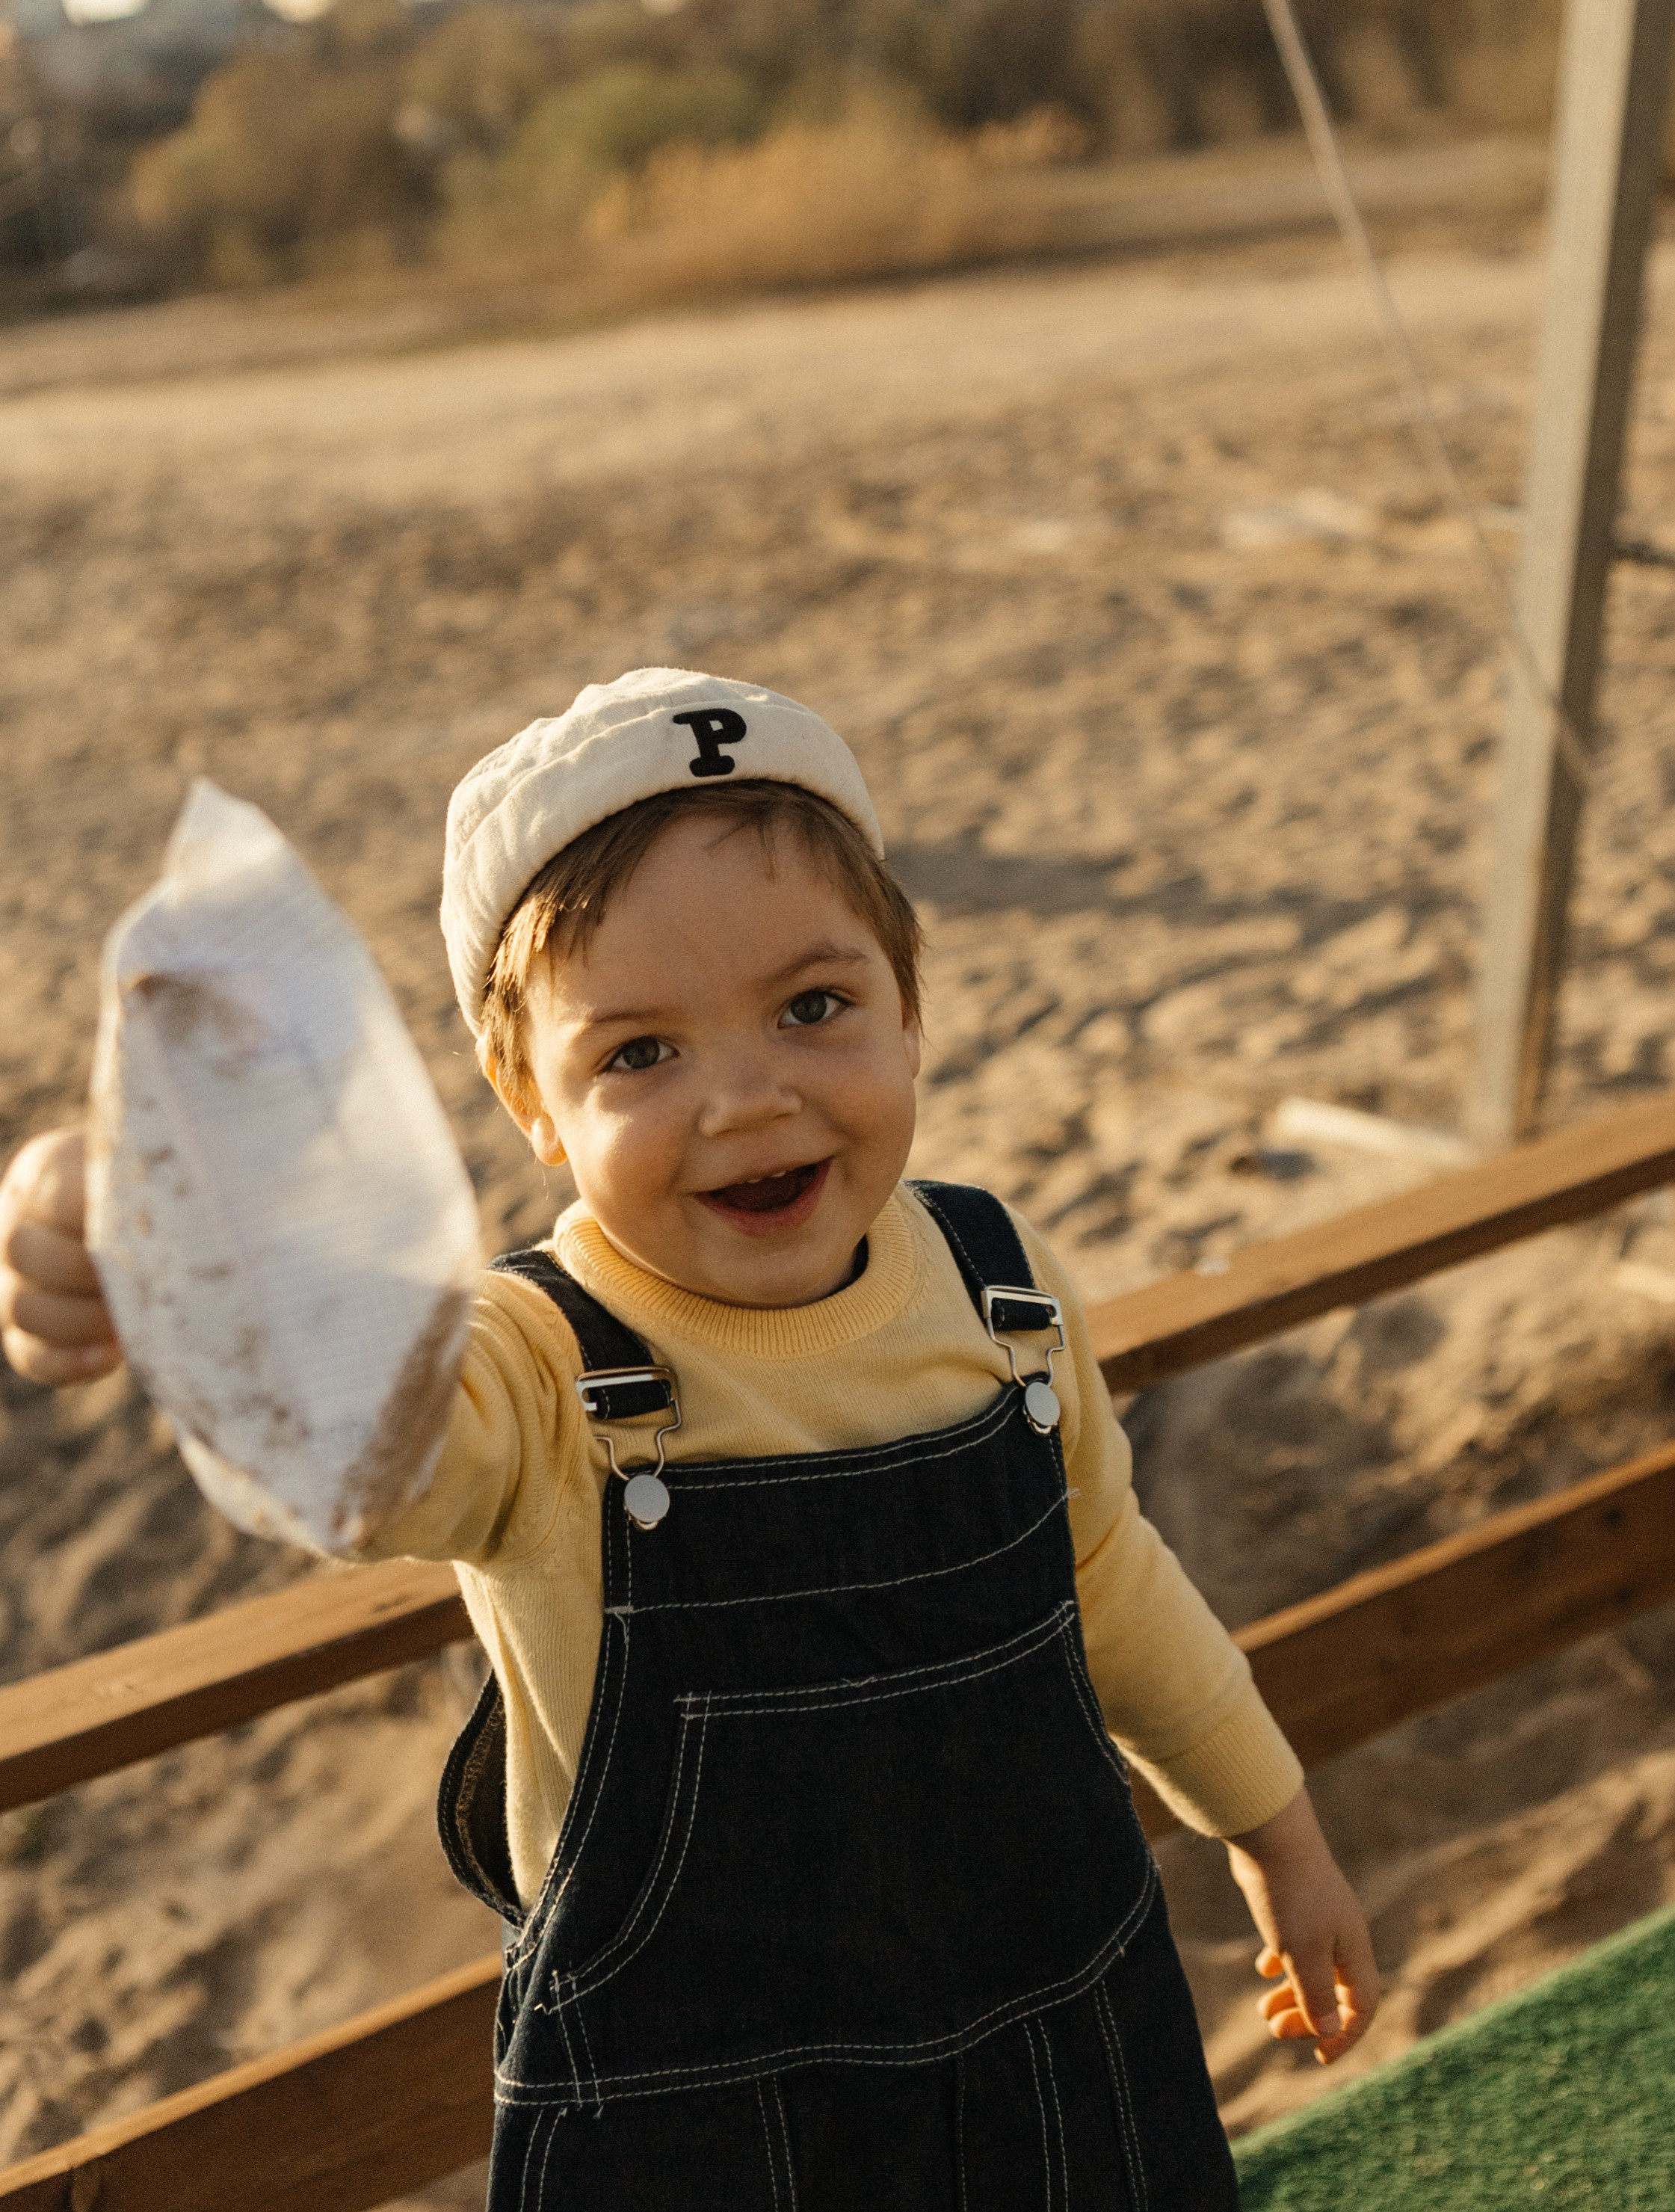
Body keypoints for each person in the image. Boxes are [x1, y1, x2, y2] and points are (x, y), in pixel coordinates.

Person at [0, 666, 1378, 2208]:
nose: (744, 1096)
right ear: (531, 1101)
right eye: (639, 1052)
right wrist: (135, 1224)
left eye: (812, 1006)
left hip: (1058, 2031)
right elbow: (349, 1428)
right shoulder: (529, 1370)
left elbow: (1108, 1576)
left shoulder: (997, 1283)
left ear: (908, 1010)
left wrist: (1276, 1832)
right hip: (698, 2129)